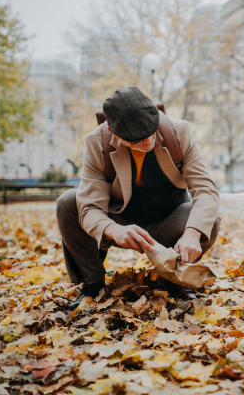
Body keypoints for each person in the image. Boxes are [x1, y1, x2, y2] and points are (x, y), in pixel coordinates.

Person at [56, 87, 220, 309]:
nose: (148, 142)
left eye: (151, 132)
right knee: (68, 202)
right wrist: (113, 230)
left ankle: (176, 281)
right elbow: (88, 207)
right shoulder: (96, 142)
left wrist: (192, 233)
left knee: (208, 221)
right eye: (137, 139)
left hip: (169, 220)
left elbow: (206, 189)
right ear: (114, 131)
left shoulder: (178, 131)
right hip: (121, 222)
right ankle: (92, 284)